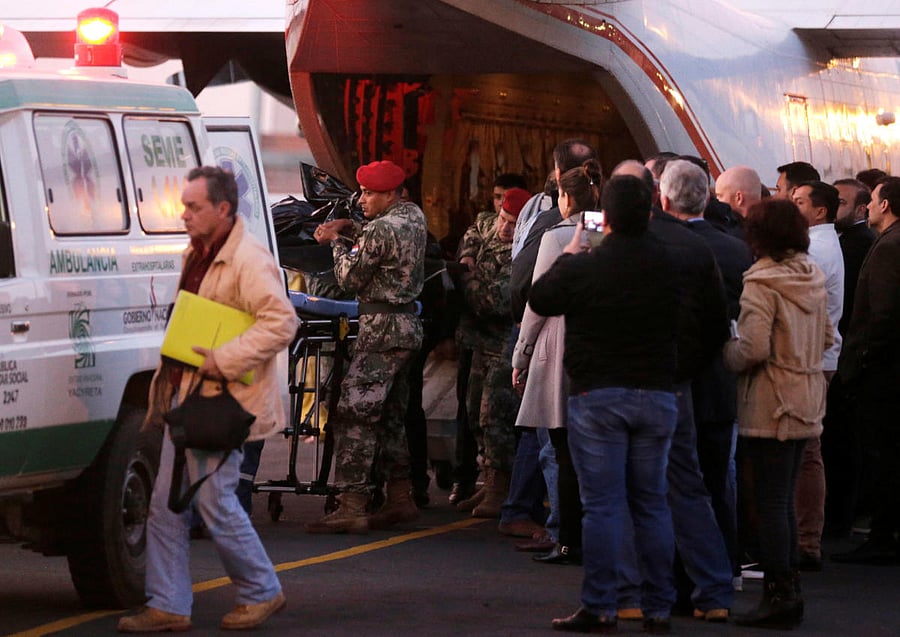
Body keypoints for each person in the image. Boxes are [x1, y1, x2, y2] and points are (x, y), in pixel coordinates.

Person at [118, 167, 296, 633]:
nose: (185, 215)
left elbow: (282, 322)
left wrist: (224, 359)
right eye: (185, 206)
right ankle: (168, 604)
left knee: (215, 502)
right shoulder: (198, 253)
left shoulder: (248, 259)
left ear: (223, 209)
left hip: (222, 402)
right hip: (191, 397)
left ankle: (261, 591)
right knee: (165, 504)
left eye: (194, 207)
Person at [531, 175, 681, 635]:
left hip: (597, 392)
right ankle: (659, 605)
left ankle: (601, 604)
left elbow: (541, 298)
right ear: (650, 211)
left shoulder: (587, 264)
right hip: (657, 390)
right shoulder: (670, 261)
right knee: (652, 502)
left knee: (602, 505)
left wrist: (573, 251)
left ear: (605, 217)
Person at [724, 198, 833, 629]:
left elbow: (752, 348)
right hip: (806, 396)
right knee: (783, 499)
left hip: (771, 402)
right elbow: (828, 336)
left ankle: (778, 595)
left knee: (768, 502)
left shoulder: (761, 282)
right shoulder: (812, 276)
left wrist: (725, 351)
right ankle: (789, 592)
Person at [305, 160, 427, 534]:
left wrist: (335, 242)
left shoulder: (380, 229)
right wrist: (351, 227)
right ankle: (401, 498)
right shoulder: (413, 217)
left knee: (353, 413)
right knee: (390, 415)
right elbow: (384, 243)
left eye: (369, 194)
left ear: (390, 194)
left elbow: (348, 277)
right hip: (406, 328)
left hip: (381, 333)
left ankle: (352, 504)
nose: (361, 200)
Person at [661, 159, 753, 595]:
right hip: (720, 380)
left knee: (675, 485)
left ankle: (682, 577)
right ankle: (726, 567)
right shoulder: (736, 249)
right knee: (717, 480)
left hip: (675, 379)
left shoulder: (665, 248)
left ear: (664, 200)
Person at [509, 159, 602, 561]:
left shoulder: (558, 235)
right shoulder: (604, 232)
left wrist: (522, 354)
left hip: (560, 344)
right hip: (597, 344)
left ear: (564, 198)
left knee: (563, 451)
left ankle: (567, 538)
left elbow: (537, 302)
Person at [831, 176, 900, 564]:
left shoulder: (889, 246)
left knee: (882, 454)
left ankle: (883, 536)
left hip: (882, 374)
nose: (868, 206)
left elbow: (884, 315)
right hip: (884, 368)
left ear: (886, 204)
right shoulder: (888, 242)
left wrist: (862, 361)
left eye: (873, 200)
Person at [450, 173, 528, 505]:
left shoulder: (521, 255)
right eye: (503, 219)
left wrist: (465, 279)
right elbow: (475, 227)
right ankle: (490, 479)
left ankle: (500, 486)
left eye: (512, 224)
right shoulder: (488, 225)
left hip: (503, 346)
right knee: (474, 414)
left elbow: (493, 302)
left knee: (495, 417)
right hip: (479, 343)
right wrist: (467, 254)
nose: (504, 229)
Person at [790, 180, 844, 571]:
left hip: (811, 361)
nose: (791, 206)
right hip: (818, 359)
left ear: (820, 210)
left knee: (807, 451)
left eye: (798, 201)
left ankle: (806, 540)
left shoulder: (816, 250)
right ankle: (804, 538)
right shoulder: (821, 245)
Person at [822, 178, 876, 537]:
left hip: (848, 354)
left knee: (842, 441)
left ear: (861, 208)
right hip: (845, 351)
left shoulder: (858, 244)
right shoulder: (847, 241)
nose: (834, 207)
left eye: (841, 202)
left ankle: (843, 514)